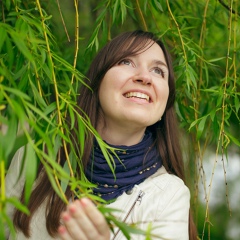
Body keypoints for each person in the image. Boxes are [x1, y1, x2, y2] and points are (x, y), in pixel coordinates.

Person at [5, 30, 197, 239]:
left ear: (165, 104)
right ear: (96, 82)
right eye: (126, 62)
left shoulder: (169, 196)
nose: (144, 77)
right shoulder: (33, 162)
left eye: (158, 71)